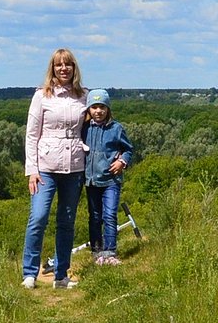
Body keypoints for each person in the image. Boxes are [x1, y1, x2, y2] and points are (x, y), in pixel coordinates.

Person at [22, 48, 88, 289]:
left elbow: (95, 126)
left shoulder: (83, 96)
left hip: (74, 167)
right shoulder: (42, 96)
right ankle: (30, 273)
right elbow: (31, 135)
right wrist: (32, 169)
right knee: (38, 217)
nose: (63, 69)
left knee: (66, 221)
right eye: (59, 65)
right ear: (52, 69)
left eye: (68, 65)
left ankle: (61, 275)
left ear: (74, 68)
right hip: (45, 167)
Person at [82, 88, 134, 265]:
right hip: (91, 180)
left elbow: (128, 149)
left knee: (110, 215)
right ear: (89, 109)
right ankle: (97, 252)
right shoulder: (84, 128)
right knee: (94, 216)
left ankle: (110, 252)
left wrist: (122, 162)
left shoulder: (116, 128)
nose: (98, 111)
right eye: (94, 107)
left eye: (102, 107)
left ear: (108, 109)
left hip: (111, 180)